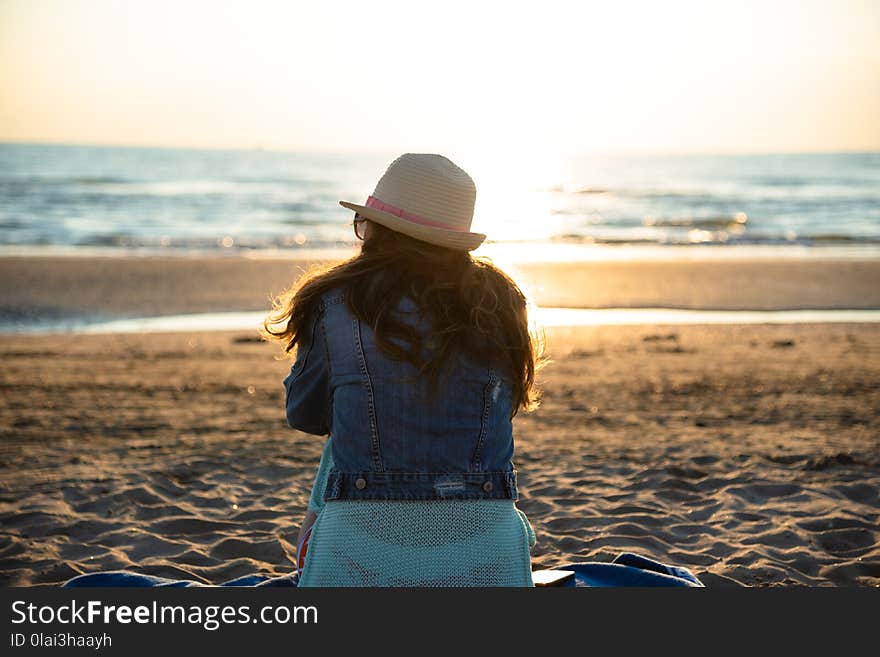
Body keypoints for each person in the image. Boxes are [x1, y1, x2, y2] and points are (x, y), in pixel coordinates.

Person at [262, 153, 545, 586]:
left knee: (340, 442)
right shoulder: (502, 303)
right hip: (483, 540)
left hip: (362, 537)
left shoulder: (335, 300)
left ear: (375, 228)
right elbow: (501, 412)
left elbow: (305, 416)